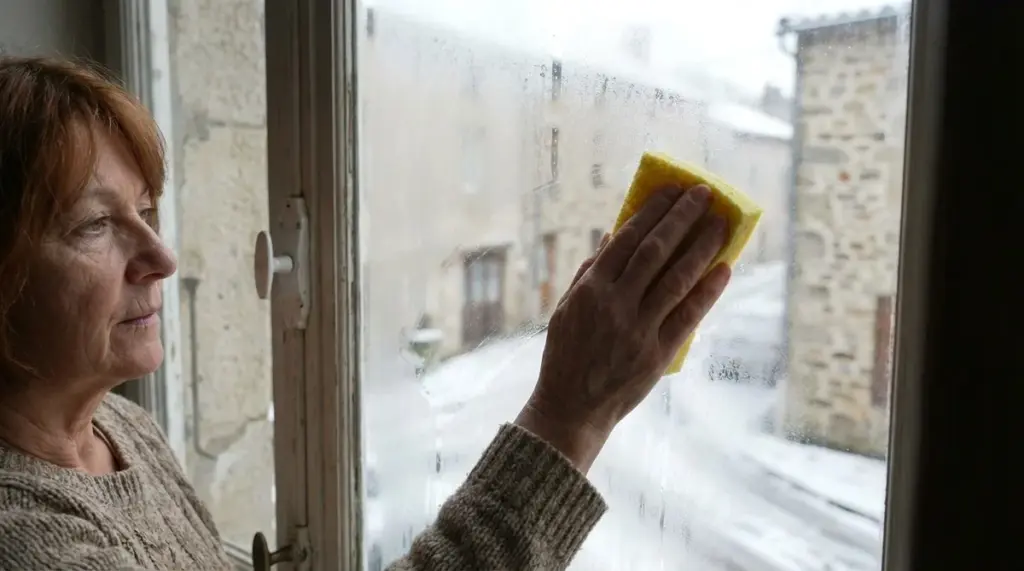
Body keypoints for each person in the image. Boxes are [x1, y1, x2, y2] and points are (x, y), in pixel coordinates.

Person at [0, 56, 731, 571]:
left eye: (148, 211)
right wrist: (570, 416)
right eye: (93, 225)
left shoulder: (124, 428)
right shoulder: (29, 538)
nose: (160, 256)